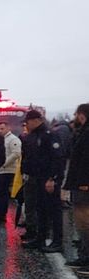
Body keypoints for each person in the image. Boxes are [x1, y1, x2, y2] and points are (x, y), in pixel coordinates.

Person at [21, 110, 65, 252]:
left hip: (48, 179)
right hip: (37, 178)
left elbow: (57, 158)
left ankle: (57, 242)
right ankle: (40, 238)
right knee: (40, 209)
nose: (26, 125)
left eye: (27, 122)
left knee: (53, 210)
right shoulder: (33, 136)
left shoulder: (49, 135)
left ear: (35, 120)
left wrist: (52, 178)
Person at [64, 103, 89, 266]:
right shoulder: (82, 132)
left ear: (82, 115)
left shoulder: (86, 133)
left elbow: (85, 159)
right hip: (80, 182)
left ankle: (86, 257)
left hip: (83, 185)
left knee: (84, 221)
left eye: (76, 114)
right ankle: (84, 252)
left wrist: (85, 182)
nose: (75, 117)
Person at [0, 121, 22, 223]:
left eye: (2, 129)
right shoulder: (0, 139)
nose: (0, 131)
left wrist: (4, 164)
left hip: (7, 170)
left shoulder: (13, 139)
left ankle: (0, 214)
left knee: (2, 193)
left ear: (8, 128)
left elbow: (16, 153)